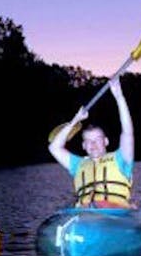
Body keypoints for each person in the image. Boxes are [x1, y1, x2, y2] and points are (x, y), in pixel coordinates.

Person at [48, 77, 135, 208]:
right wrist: (74, 121)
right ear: (83, 146)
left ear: (106, 141)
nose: (93, 144)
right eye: (88, 141)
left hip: (116, 214)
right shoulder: (77, 165)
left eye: (97, 140)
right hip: (84, 214)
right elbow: (54, 147)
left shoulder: (121, 158)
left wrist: (119, 97)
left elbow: (127, 132)